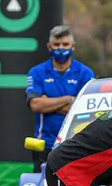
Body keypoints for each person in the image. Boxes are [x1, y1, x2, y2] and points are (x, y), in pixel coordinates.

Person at [25, 25, 95, 173]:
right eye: (56, 45)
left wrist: (48, 102)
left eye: (65, 44)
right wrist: (70, 99)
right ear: (49, 47)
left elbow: (85, 108)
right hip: (44, 145)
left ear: (73, 46)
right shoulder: (37, 72)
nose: (61, 48)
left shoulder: (85, 73)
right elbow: (36, 105)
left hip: (75, 144)